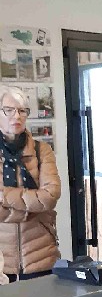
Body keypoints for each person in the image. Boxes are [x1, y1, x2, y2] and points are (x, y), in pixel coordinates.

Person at [0, 86, 61, 282]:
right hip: (2, 260)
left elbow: (50, 197)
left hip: (41, 254)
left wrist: (3, 195)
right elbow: (40, 201)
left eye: (22, 110)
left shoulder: (42, 150)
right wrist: (32, 208)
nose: (16, 116)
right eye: (8, 110)